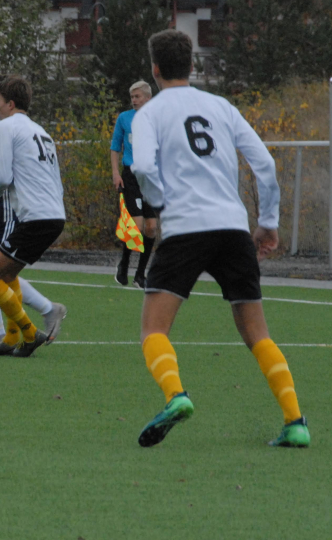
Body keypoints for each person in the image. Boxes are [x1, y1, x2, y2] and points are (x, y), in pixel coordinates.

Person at [130, 29, 309, 448]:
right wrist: (268, 221)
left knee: (154, 329)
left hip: (185, 228)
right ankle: (295, 422)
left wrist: (160, 205)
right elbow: (265, 163)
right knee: (258, 333)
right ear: (192, 65)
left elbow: (143, 168)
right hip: (232, 227)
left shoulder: (149, 114)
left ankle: (176, 396)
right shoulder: (221, 107)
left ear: (155, 70)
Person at [0, 72, 66, 354]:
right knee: (7, 275)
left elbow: (3, 178)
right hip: (55, 216)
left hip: (35, 219)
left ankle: (29, 333)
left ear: (10, 103)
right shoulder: (41, 131)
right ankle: (11, 338)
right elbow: (56, 180)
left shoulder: (5, 127)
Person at [111, 80, 160, 288]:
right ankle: (124, 264)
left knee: (151, 228)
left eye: (137, 96)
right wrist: (116, 173)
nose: (134, 100)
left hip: (150, 178)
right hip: (131, 176)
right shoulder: (125, 118)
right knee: (137, 225)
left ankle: (140, 274)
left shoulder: (157, 119)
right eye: (132, 97)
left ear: (148, 98)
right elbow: (115, 147)